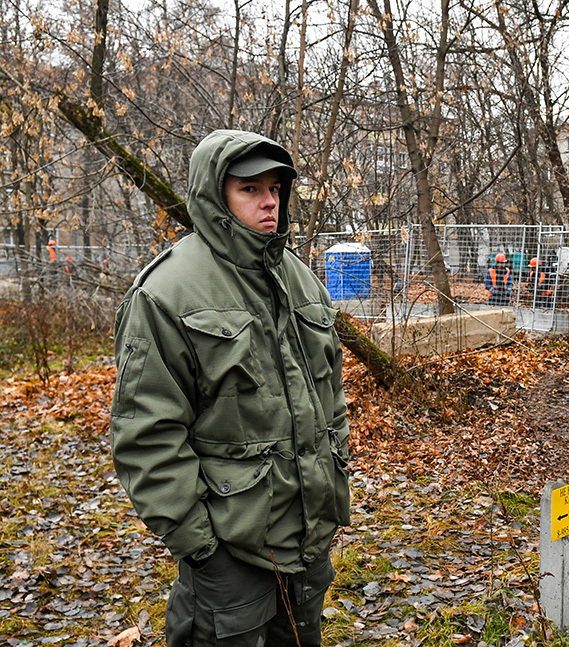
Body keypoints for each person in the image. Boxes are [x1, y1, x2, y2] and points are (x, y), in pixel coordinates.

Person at [110, 130, 350, 647]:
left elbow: (331, 399)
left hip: (308, 536)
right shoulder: (166, 293)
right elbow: (146, 435)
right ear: (214, 196)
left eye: (276, 188)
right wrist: (200, 545)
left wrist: (333, 478)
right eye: (250, 188)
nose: (269, 201)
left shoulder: (300, 279)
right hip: (229, 550)